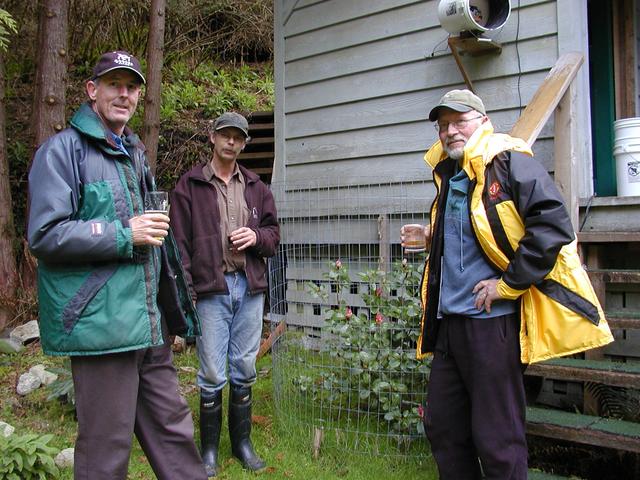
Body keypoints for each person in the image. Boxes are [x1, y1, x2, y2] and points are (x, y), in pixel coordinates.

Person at [405, 89, 614, 479]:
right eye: (443, 125)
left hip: (493, 325)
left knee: (497, 439)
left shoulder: (509, 161)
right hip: (449, 324)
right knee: (444, 428)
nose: (450, 131)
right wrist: (431, 236)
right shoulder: (451, 174)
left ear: (484, 122)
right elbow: (483, 228)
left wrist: (507, 285)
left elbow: (552, 225)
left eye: (459, 121)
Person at [27, 50, 208, 480]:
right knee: (106, 451)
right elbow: (45, 234)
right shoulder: (61, 152)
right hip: (102, 328)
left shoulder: (133, 153)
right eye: (114, 85)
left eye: (131, 87)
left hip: (147, 323)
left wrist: (173, 306)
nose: (124, 94)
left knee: (175, 433)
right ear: (92, 90)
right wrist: (124, 232)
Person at [171, 112, 280, 476]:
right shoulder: (189, 186)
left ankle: (242, 445)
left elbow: (273, 236)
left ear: (244, 143)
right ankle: (209, 452)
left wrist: (256, 236)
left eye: (238, 137)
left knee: (244, 367)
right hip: (211, 291)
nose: (231, 141)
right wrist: (188, 293)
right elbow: (179, 245)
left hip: (249, 288)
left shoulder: (256, 187)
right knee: (211, 372)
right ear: (213, 137)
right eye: (225, 135)